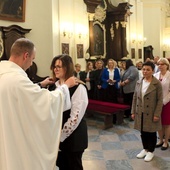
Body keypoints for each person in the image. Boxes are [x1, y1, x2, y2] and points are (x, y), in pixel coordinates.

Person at [0, 38, 77, 170]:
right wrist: (65, 87)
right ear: (26, 55)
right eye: (32, 59)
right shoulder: (17, 79)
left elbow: (21, 94)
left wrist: (40, 85)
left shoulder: (4, 74)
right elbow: (46, 102)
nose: (31, 64)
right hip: (17, 139)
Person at [49, 55, 88, 170]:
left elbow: (75, 117)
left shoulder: (78, 87)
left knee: (73, 166)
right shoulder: (53, 87)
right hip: (57, 137)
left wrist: (60, 136)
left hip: (73, 138)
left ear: (67, 68)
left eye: (59, 67)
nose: (55, 69)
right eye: (54, 67)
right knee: (62, 165)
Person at [131, 61, 163, 162]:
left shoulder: (156, 83)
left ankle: (151, 151)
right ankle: (145, 149)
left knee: (151, 132)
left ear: (153, 71)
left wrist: (157, 114)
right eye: (144, 69)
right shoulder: (139, 82)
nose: (145, 71)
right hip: (140, 111)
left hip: (152, 112)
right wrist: (133, 111)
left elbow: (160, 100)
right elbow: (135, 97)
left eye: (148, 70)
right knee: (143, 132)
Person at [154, 58, 170, 150]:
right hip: (156, 102)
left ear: (167, 65)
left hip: (167, 102)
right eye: (159, 64)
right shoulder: (155, 75)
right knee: (158, 122)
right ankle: (160, 140)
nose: (160, 66)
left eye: (162, 64)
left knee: (166, 123)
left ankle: (166, 141)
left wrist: (164, 101)